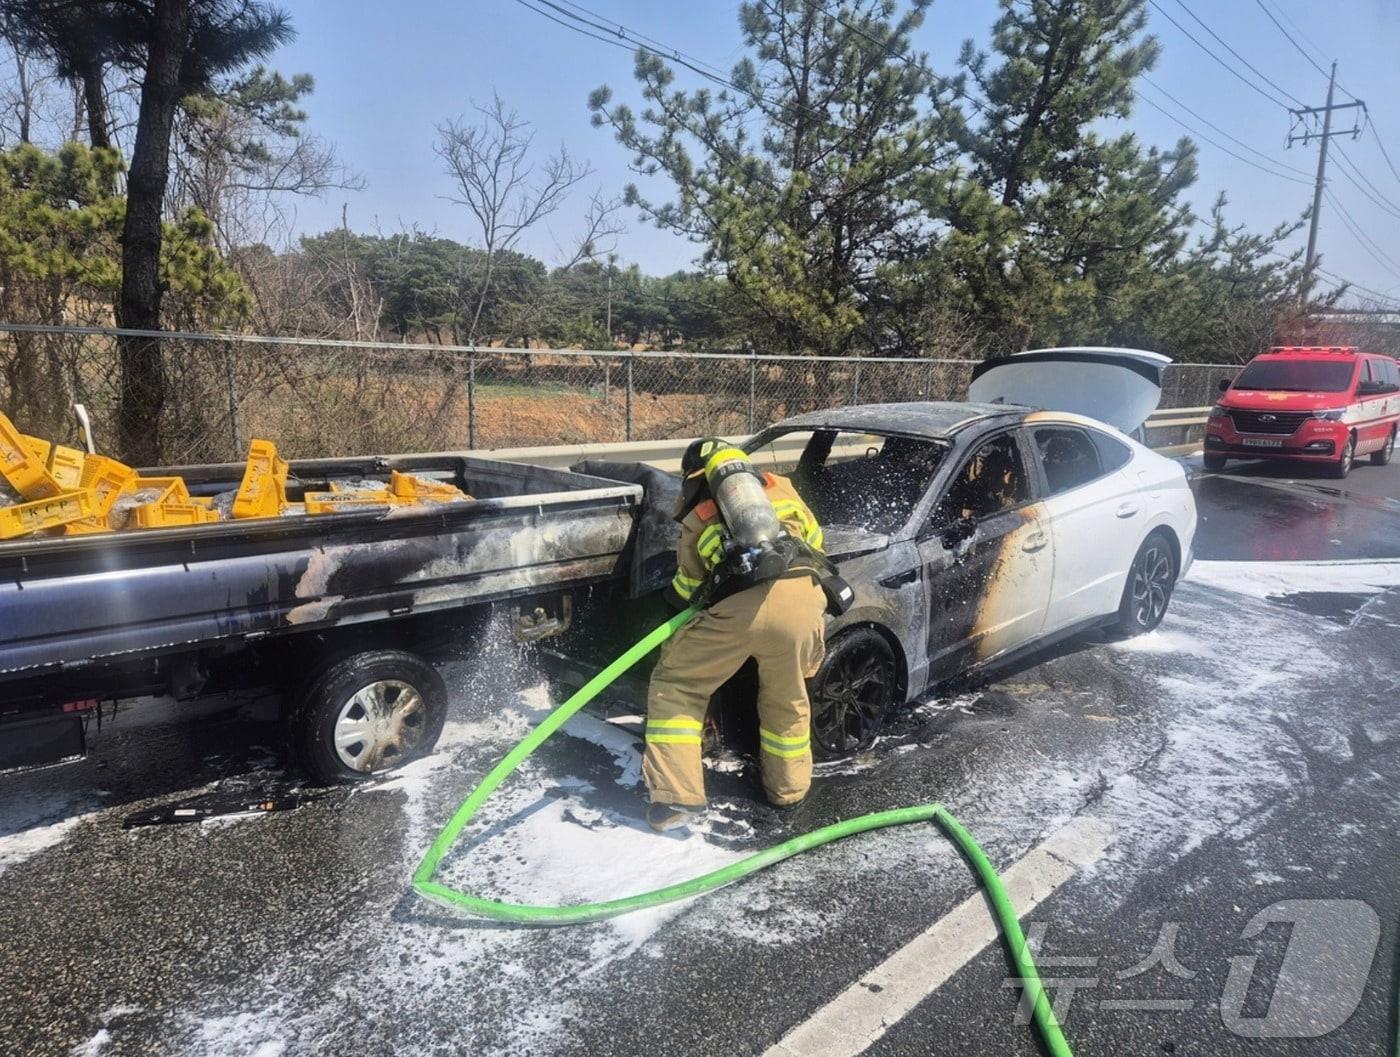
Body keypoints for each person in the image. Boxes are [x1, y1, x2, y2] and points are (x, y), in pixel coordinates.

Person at [642, 437, 829, 832]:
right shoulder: (781, 487)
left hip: (739, 611)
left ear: (699, 478)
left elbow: (689, 585)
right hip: (804, 600)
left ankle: (676, 799)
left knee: (676, 685)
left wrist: (673, 606)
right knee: (788, 697)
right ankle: (789, 791)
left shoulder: (702, 512)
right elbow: (815, 541)